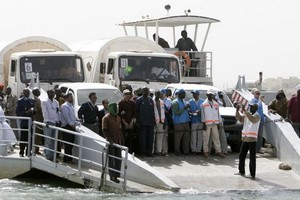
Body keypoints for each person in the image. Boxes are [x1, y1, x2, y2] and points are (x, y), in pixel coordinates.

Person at [235, 101, 260, 179]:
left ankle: (252, 173)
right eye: (250, 106)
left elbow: (252, 119)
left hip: (252, 139)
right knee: (241, 155)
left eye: (252, 107)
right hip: (245, 138)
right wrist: (237, 110)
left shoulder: (257, 115)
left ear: (256, 108)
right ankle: (241, 170)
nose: (251, 108)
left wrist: (245, 111)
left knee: (252, 157)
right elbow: (240, 119)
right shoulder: (247, 114)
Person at [102, 102, 123, 183]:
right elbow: (104, 130)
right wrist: (109, 140)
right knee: (111, 159)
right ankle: (112, 176)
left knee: (118, 159)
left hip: (118, 141)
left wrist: (121, 141)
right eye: (114, 108)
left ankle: (117, 175)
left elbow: (120, 130)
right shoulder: (106, 118)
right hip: (111, 142)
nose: (116, 110)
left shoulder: (118, 117)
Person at [201, 89, 225, 158]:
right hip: (207, 124)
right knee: (206, 138)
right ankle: (205, 151)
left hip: (214, 123)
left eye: (211, 95)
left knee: (216, 138)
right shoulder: (204, 104)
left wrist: (218, 123)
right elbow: (203, 115)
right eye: (209, 95)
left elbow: (217, 114)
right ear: (207, 95)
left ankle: (218, 151)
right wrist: (203, 123)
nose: (210, 96)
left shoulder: (216, 104)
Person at [61, 93, 81, 163]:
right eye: (70, 97)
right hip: (67, 127)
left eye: (72, 97)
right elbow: (67, 118)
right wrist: (71, 124)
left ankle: (69, 158)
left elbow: (73, 117)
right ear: (66, 98)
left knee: (71, 143)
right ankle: (67, 159)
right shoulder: (64, 106)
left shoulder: (71, 106)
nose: (71, 99)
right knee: (68, 144)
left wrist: (78, 122)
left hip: (72, 127)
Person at [136, 87, 155, 157]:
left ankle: (149, 152)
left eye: (147, 91)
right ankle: (142, 152)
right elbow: (137, 112)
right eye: (145, 91)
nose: (146, 92)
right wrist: (137, 121)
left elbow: (153, 111)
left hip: (150, 122)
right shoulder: (139, 100)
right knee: (143, 138)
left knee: (150, 137)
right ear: (142, 91)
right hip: (142, 122)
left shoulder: (151, 100)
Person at [41, 89, 60, 161]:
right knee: (48, 140)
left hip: (54, 123)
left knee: (53, 141)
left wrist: (58, 121)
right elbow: (44, 112)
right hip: (48, 123)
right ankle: (48, 156)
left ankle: (53, 156)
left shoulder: (56, 102)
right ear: (48, 93)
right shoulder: (44, 102)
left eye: (53, 93)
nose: (52, 94)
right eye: (50, 93)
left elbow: (57, 112)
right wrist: (46, 121)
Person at [16, 88, 35, 157]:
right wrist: (25, 112)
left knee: (30, 138)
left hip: (31, 122)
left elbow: (34, 110)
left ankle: (28, 152)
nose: (27, 93)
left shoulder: (31, 100)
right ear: (23, 93)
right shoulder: (20, 101)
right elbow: (18, 112)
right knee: (23, 138)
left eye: (28, 92)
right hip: (24, 122)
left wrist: (32, 110)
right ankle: (21, 152)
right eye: (26, 92)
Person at [171, 89, 190, 155]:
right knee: (178, 138)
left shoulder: (184, 101)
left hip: (186, 122)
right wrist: (184, 108)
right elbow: (175, 113)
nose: (184, 95)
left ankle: (186, 151)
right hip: (178, 123)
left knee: (186, 138)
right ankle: (177, 151)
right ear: (179, 94)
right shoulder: (175, 102)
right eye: (183, 93)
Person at [118, 89, 136, 154]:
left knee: (130, 139)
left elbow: (134, 113)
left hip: (130, 123)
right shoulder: (121, 103)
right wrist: (124, 122)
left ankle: (130, 152)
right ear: (123, 95)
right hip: (123, 123)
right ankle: (123, 152)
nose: (127, 95)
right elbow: (120, 114)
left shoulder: (132, 103)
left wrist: (131, 122)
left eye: (128, 94)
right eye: (126, 94)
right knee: (123, 138)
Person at [189, 90, 204, 155]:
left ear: (198, 95)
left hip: (200, 121)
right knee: (193, 136)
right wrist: (192, 113)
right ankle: (193, 150)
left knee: (200, 136)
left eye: (195, 94)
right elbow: (189, 111)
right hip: (193, 121)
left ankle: (199, 149)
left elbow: (205, 111)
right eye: (193, 94)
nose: (194, 95)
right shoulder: (190, 102)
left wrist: (201, 112)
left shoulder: (202, 101)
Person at [153, 90, 167, 155]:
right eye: (157, 94)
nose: (158, 95)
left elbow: (163, 112)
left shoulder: (162, 102)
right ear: (155, 94)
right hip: (154, 122)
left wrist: (164, 122)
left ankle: (158, 151)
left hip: (161, 121)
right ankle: (152, 151)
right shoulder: (152, 101)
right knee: (153, 137)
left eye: (159, 94)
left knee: (160, 137)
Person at [251, 88, 265, 153]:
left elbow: (261, 111)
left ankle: (258, 149)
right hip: (255, 120)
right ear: (253, 94)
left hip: (261, 120)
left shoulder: (259, 101)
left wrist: (263, 118)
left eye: (259, 93)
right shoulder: (252, 101)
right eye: (257, 93)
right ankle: (254, 149)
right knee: (255, 135)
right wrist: (260, 101)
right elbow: (255, 107)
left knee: (260, 135)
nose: (258, 95)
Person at [32, 88, 44, 155]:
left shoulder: (38, 99)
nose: (39, 93)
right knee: (37, 135)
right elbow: (36, 110)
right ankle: (35, 149)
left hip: (39, 119)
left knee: (38, 136)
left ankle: (37, 149)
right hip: (37, 119)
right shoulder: (35, 100)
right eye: (38, 92)